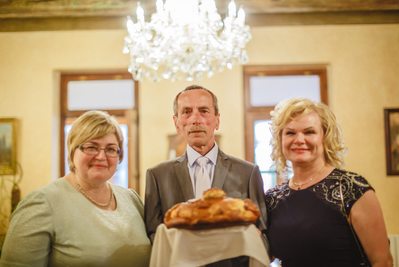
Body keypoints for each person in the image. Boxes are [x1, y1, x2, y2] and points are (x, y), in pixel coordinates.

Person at [0, 110, 151, 267]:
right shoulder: (41, 203)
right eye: (91, 147)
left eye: (111, 149)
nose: (101, 156)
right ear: (72, 151)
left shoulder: (131, 199)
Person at [144, 85, 267, 266]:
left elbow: (261, 233)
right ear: (176, 122)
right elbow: (153, 234)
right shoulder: (157, 175)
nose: (195, 119)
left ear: (217, 120)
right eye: (186, 112)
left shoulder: (248, 173)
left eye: (203, 111)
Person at [265, 98, 393, 266]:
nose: (299, 140)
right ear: (280, 139)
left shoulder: (352, 188)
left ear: (324, 137)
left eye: (309, 132)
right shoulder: (272, 198)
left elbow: (382, 261)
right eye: (290, 133)